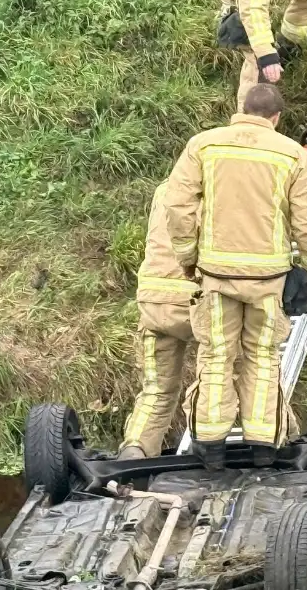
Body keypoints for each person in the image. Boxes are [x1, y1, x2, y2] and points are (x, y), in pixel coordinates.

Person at [164, 83, 307, 469]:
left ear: (240, 109)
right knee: (262, 356)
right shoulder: (291, 156)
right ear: (276, 118)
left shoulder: (204, 146)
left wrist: (188, 257)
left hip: (216, 277)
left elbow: (178, 206)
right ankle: (261, 445)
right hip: (267, 281)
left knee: (217, 355)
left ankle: (210, 446)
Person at [117, 179, 201, 461]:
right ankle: (209, 441)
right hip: (200, 300)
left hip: (154, 302)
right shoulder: (220, 187)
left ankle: (135, 450)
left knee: (156, 390)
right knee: (220, 376)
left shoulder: (165, 188)